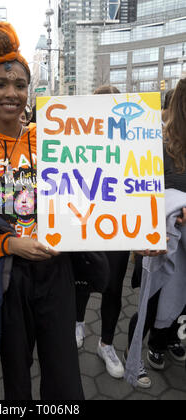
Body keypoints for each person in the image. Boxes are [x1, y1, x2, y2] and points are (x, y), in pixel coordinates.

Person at [0, 22, 84, 400]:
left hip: (57, 270)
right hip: (5, 278)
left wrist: (142, 232)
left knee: (64, 374)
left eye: (20, 85)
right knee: (17, 378)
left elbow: (95, 194)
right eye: (0, 84)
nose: (12, 93)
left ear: (29, 90)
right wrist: (11, 245)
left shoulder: (53, 137)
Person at [125, 78, 186, 388]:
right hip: (159, 242)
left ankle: (168, 340)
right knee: (151, 300)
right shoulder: (158, 143)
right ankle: (134, 353)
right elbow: (141, 191)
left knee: (181, 300)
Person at [74, 85, 129, 380]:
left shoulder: (132, 144)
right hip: (83, 224)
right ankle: (77, 323)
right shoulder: (76, 140)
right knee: (81, 280)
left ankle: (106, 344)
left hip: (119, 228)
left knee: (113, 287)